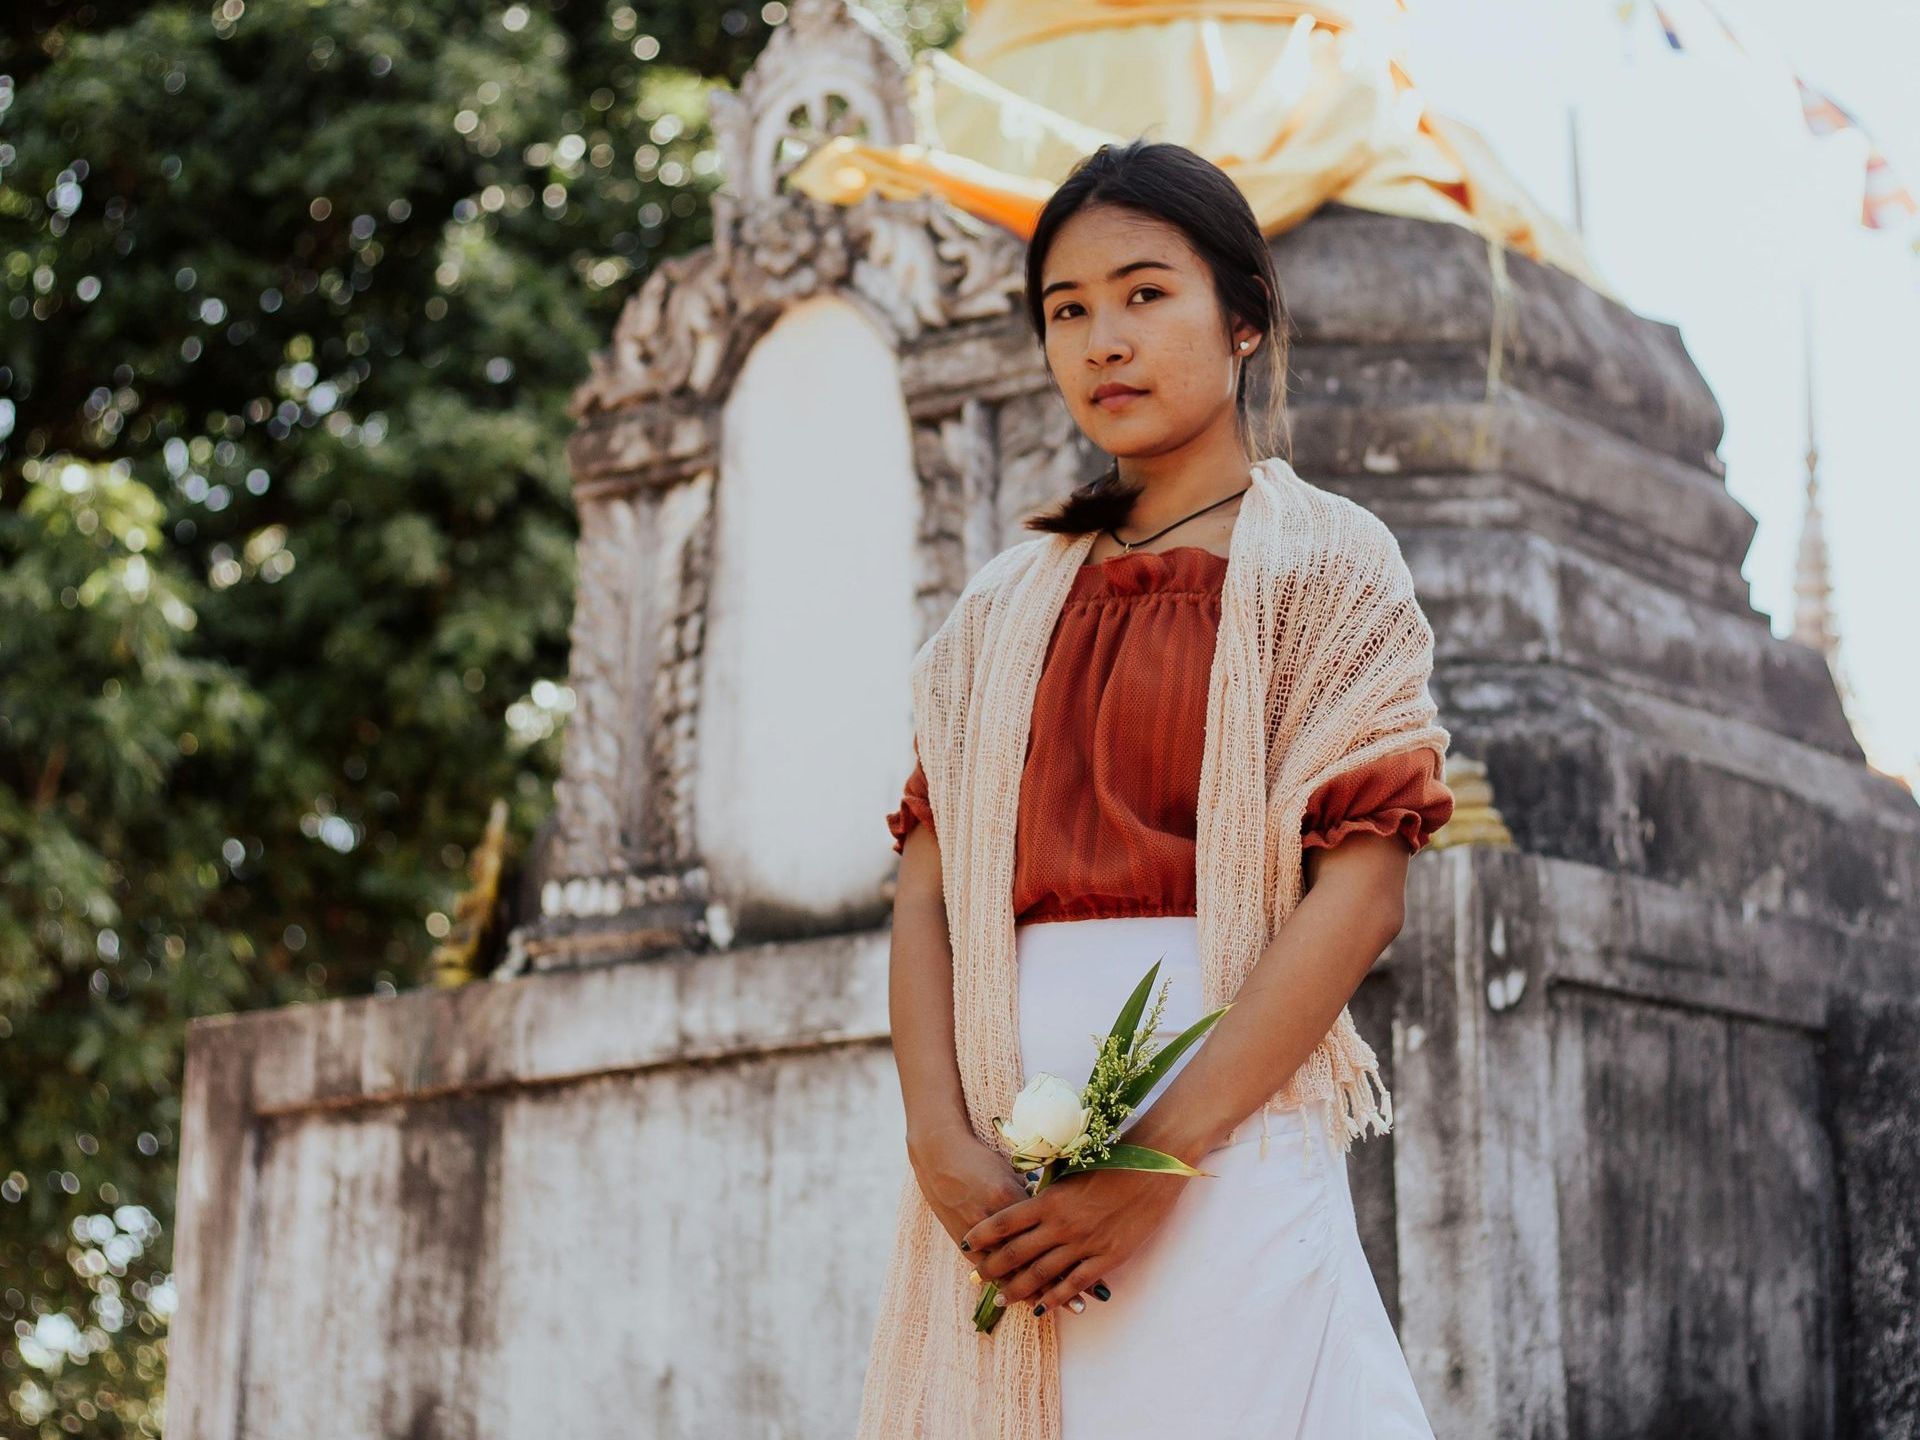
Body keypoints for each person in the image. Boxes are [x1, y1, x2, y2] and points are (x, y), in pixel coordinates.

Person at [869, 139, 1453, 1438]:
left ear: (1244, 318)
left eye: (1144, 294)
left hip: (1226, 1138)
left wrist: (1157, 1161)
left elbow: (1359, 896)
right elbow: (929, 899)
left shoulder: (1327, 569)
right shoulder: (998, 607)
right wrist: (939, 1146)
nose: (1102, 342)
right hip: (997, 1180)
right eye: (1066, 311)